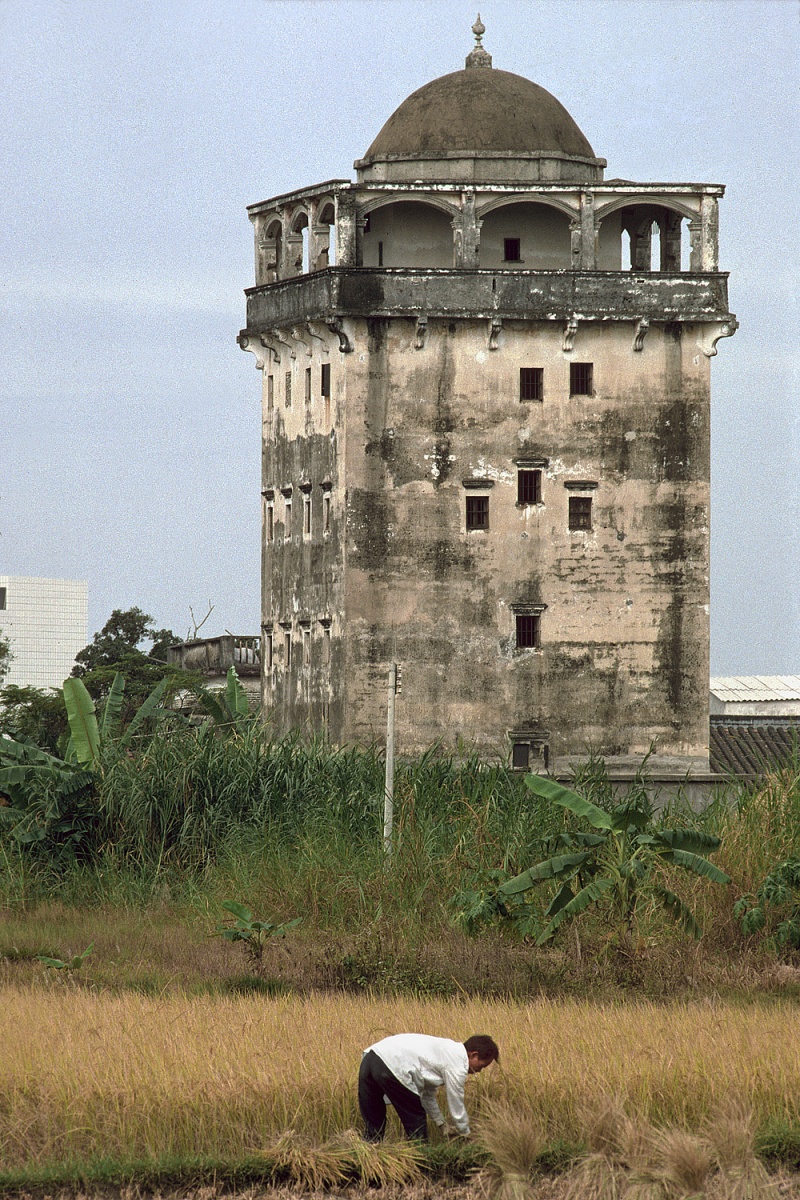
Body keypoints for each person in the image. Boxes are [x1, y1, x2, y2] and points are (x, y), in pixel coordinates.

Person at [358, 1032, 499, 1142]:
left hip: (370, 1059)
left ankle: (366, 1161)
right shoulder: (457, 1062)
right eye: (482, 1066)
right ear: (473, 1055)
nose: (478, 1072)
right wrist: (465, 1133)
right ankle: (420, 1165)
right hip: (392, 1063)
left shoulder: (442, 1054)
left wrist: (442, 1125)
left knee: (374, 1128)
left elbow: (427, 1096)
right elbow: (456, 1101)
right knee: (416, 1121)